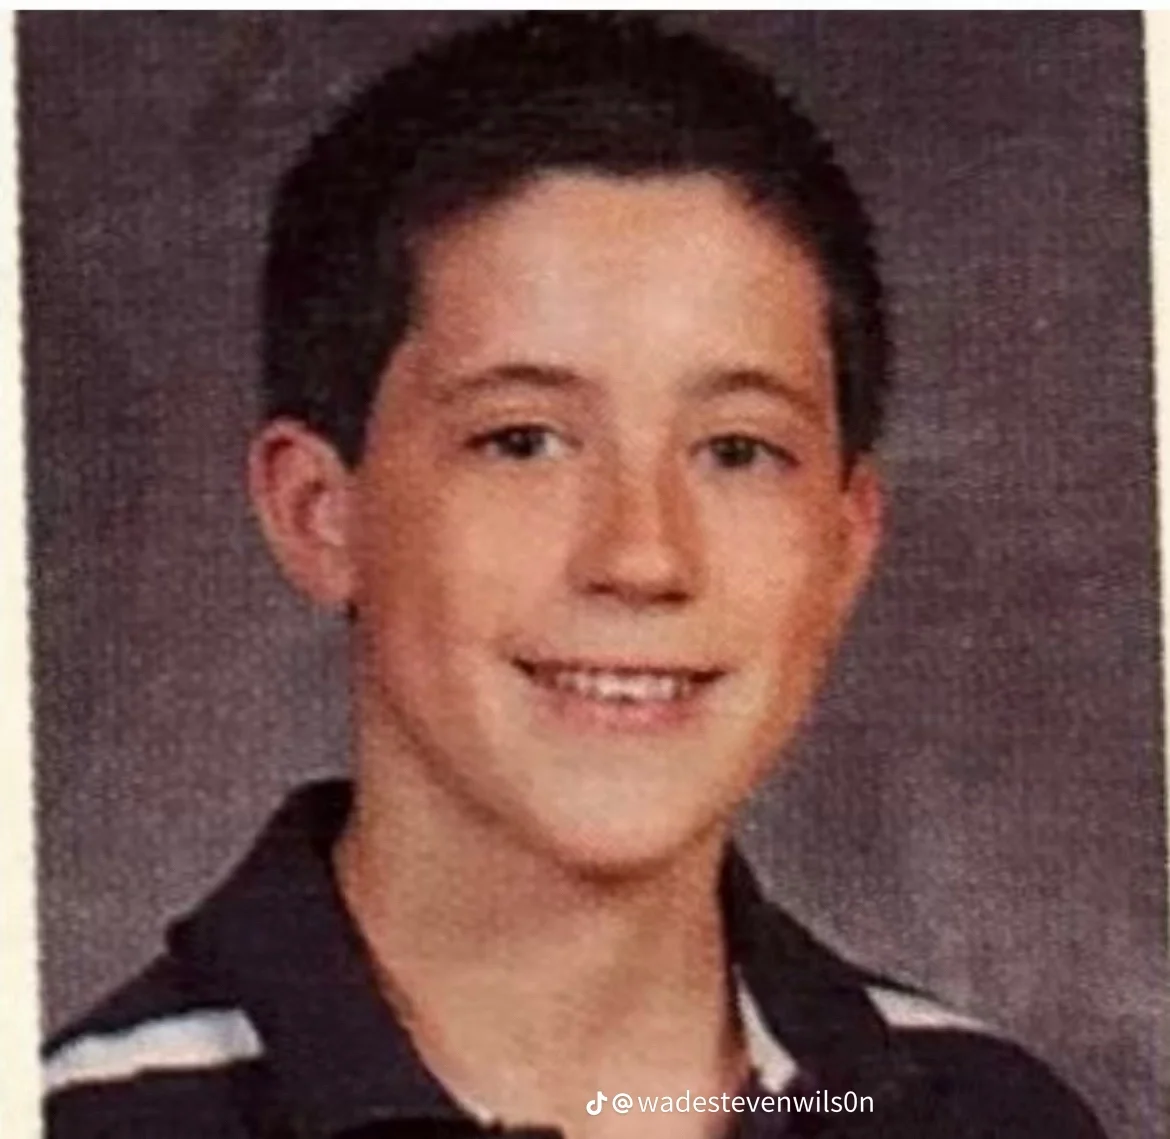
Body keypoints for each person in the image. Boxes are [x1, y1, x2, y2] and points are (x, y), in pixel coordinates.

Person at [42, 14, 1107, 1139]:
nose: (643, 554)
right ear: (322, 512)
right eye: (524, 439)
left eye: (737, 450)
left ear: (844, 543)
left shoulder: (993, 1115)